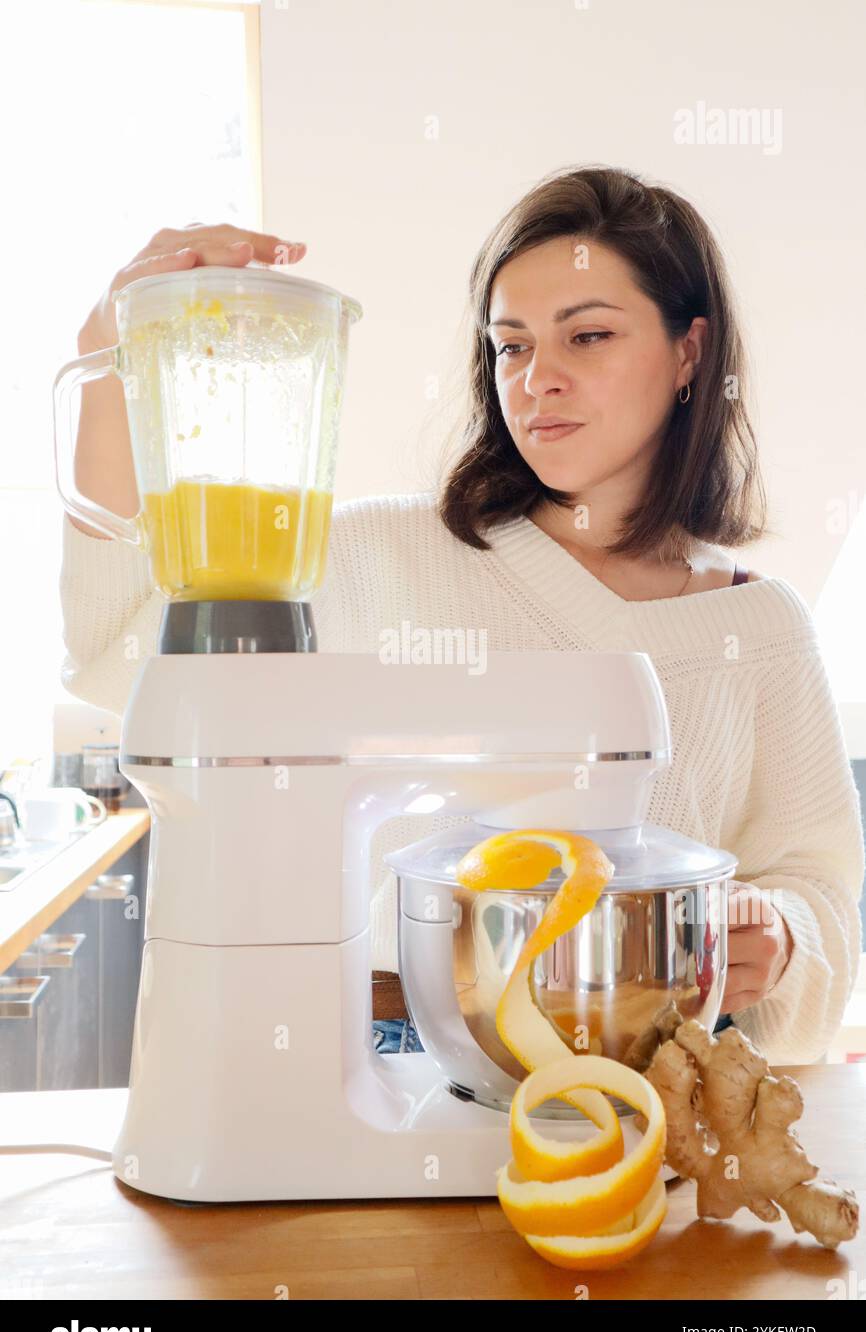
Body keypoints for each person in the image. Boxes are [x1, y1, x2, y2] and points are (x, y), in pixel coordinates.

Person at [58, 166, 864, 1065]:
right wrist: (106, 349)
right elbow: (126, 658)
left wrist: (783, 937)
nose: (538, 379)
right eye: (511, 346)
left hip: (647, 1089)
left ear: (689, 354)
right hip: (388, 1064)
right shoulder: (375, 557)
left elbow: (815, 886)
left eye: (587, 336)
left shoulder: (761, 629)